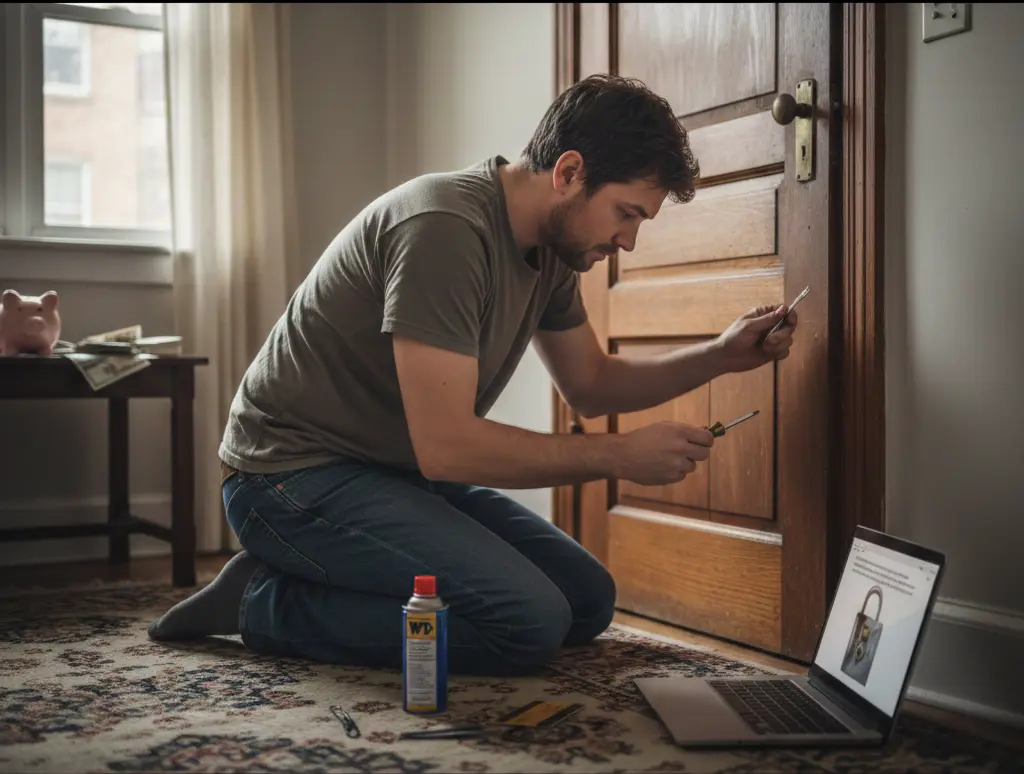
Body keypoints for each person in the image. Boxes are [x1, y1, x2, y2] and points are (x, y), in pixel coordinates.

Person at [147, 74, 798, 676]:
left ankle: (320, 575)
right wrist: (621, 455)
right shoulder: (445, 228)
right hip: (286, 478)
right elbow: (449, 446)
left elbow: (593, 385)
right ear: (570, 172)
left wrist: (721, 353)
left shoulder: (551, 253)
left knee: (585, 600)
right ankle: (264, 601)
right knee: (527, 622)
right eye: (627, 213)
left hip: (390, 475)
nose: (628, 241)